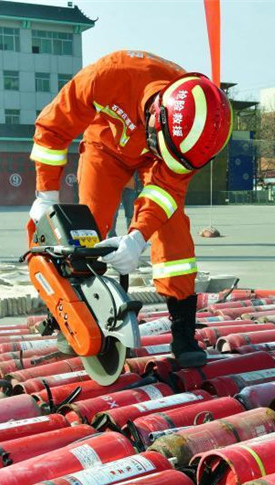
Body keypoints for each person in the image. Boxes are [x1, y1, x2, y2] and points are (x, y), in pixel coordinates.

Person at [28, 50, 232, 368]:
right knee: (86, 227)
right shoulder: (108, 76)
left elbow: (164, 193)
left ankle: (183, 332)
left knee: (174, 232)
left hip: (157, 158)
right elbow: (53, 128)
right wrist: (45, 194)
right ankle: (71, 315)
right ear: (155, 115)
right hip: (105, 145)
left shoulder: (196, 135)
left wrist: (137, 238)